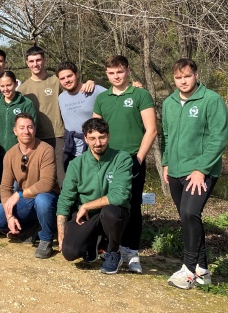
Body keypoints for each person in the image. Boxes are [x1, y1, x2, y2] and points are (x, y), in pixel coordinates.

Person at [162, 59, 228, 289]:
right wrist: (166, 163)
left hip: (201, 171)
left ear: (196, 75)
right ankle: (203, 271)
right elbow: (167, 136)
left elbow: (218, 139)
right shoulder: (169, 102)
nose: (183, 81)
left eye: (187, 76)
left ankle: (188, 270)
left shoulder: (211, 100)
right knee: (187, 217)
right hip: (176, 170)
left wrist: (202, 169)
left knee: (190, 213)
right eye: (178, 78)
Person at [93, 55, 157, 274]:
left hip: (131, 158)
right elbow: (95, 130)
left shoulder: (140, 95)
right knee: (108, 205)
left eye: (119, 72)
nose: (115, 76)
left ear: (128, 71)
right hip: (108, 159)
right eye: (111, 73)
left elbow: (151, 130)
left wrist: (139, 158)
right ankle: (110, 249)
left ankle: (131, 252)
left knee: (132, 206)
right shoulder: (102, 98)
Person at [57, 118, 133, 274]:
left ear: (109, 136)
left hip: (112, 213)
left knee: (111, 212)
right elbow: (65, 199)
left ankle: (113, 252)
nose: (98, 143)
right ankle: (91, 243)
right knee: (69, 252)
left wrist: (86, 205)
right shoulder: (76, 164)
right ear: (85, 138)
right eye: (92, 138)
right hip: (87, 217)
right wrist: (61, 233)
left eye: (102, 137)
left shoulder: (122, 159)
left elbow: (120, 196)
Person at [18, 46, 95, 187]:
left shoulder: (56, 81)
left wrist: (90, 82)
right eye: (31, 61)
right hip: (36, 138)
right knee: (40, 177)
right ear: (27, 63)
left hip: (57, 135)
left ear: (44, 60)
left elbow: (75, 88)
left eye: (38, 60)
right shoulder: (23, 89)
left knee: (62, 176)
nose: (35, 64)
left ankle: (65, 207)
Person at [0, 113, 59, 259]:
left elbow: (47, 183)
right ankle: (30, 228)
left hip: (45, 196)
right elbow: (5, 187)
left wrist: (18, 194)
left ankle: (46, 239)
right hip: (26, 199)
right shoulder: (10, 154)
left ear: (35, 129)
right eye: (22, 128)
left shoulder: (46, 149)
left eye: (30, 127)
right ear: (15, 131)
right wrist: (10, 215)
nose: (26, 131)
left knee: (42, 200)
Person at [57, 61, 106, 170]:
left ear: (77, 74)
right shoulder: (61, 98)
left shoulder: (94, 90)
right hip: (72, 150)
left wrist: (135, 86)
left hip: (94, 148)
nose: (67, 80)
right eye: (62, 78)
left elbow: (117, 94)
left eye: (69, 76)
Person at [0, 71, 36, 157]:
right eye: (2, 86)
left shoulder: (26, 104)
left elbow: (32, 128)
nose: (5, 89)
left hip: (19, 152)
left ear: (15, 84)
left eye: (9, 85)